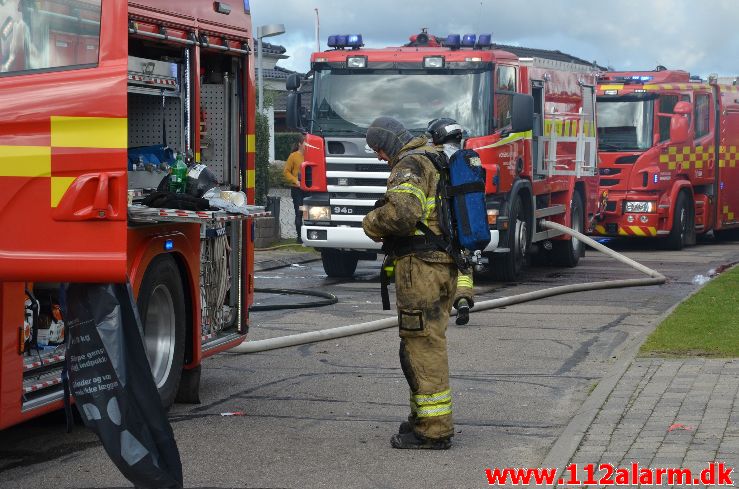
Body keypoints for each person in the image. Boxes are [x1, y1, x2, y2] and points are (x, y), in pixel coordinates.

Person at [362, 117, 457, 450]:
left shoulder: (409, 164)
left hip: (422, 270)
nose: (378, 157)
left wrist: (370, 222)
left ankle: (434, 431)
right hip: (441, 266)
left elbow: (403, 215)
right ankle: (423, 418)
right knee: (417, 345)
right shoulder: (433, 156)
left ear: (386, 143)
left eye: (377, 149)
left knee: (423, 347)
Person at [283, 135, 305, 243]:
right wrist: (295, 180)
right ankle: (299, 237)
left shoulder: (311, 156)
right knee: (299, 212)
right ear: (300, 144)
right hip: (298, 190)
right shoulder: (293, 156)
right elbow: (286, 172)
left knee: (309, 213)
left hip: (309, 190)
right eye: (305, 143)